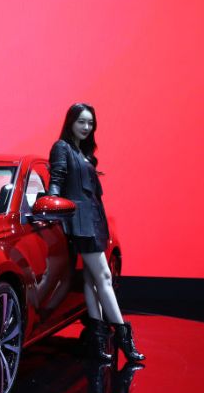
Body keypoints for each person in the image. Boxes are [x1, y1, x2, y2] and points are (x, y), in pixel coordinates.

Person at [49, 103, 144, 362]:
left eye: (90, 123)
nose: (86, 127)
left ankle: (98, 341)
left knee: (93, 280)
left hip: (94, 219)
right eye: (82, 121)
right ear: (70, 122)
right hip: (79, 221)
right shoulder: (62, 148)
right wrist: (52, 206)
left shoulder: (86, 154)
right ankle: (124, 336)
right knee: (103, 276)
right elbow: (56, 181)